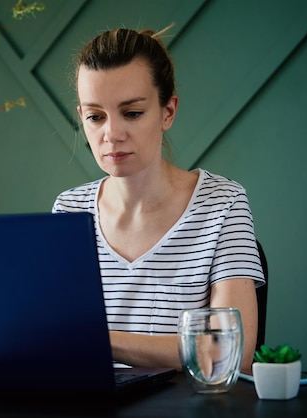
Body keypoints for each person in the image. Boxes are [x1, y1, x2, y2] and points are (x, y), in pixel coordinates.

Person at [52, 26, 265, 374]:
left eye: (132, 113)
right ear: (82, 118)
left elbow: (229, 352)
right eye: (95, 117)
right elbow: (56, 344)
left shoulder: (223, 203)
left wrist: (99, 339)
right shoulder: (68, 211)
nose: (112, 134)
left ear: (168, 111)